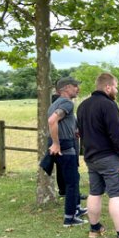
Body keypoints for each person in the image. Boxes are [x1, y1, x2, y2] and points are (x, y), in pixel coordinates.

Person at [77, 72, 119, 238]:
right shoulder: (108, 105)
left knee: (95, 192)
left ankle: (94, 229)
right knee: (116, 195)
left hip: (91, 157)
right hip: (109, 157)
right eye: (116, 86)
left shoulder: (83, 106)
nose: (117, 90)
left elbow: (81, 133)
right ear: (108, 87)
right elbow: (116, 132)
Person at [47, 77, 87, 227]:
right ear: (66, 88)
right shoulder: (66, 103)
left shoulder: (55, 103)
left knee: (73, 178)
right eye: (75, 86)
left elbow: (61, 122)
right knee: (71, 183)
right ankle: (69, 218)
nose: (78, 89)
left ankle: (76, 209)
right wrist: (56, 143)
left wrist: (74, 130)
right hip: (64, 146)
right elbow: (52, 121)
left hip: (62, 144)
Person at [52, 89, 87, 201]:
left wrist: (76, 129)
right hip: (66, 140)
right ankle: (71, 193)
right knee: (70, 166)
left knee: (64, 166)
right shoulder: (62, 103)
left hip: (69, 139)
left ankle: (66, 191)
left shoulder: (60, 103)